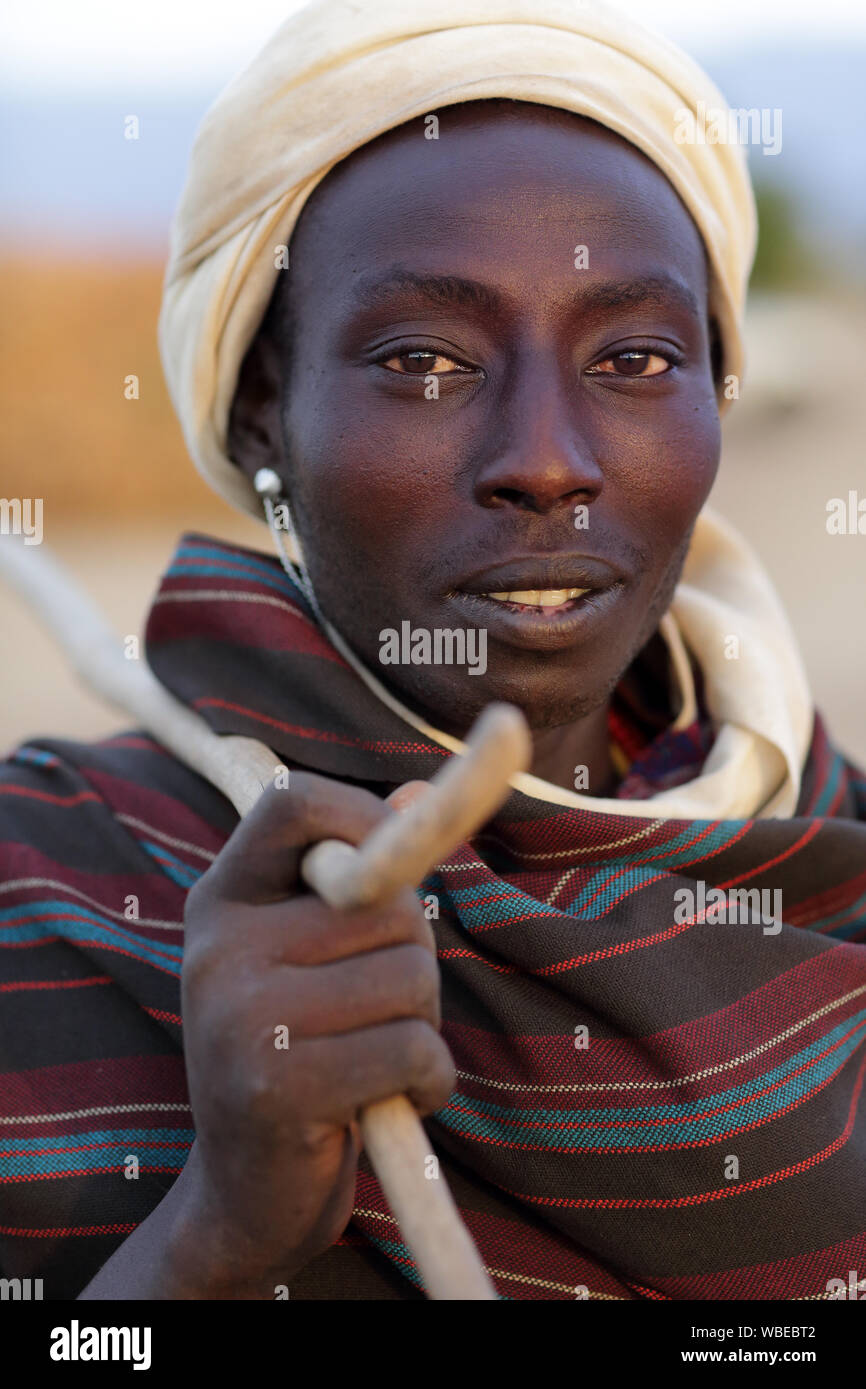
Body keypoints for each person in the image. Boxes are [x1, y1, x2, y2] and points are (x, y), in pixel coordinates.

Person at [1, 0, 864, 1302]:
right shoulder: (44, 885)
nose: (545, 461)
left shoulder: (821, 852)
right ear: (257, 417)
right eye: (422, 359)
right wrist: (216, 1236)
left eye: (634, 355)